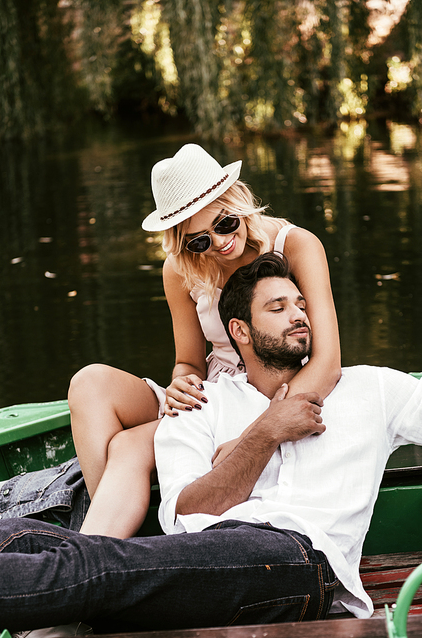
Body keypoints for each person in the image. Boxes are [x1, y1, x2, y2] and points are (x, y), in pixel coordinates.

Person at [0, 253, 422, 633]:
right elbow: (186, 516)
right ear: (238, 330)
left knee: (100, 566)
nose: (299, 315)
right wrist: (265, 433)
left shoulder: (372, 389)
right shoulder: (198, 408)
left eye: (300, 304)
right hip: (219, 559)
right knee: (30, 538)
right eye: (277, 308)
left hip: (304, 564)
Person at [68, 143, 341, 539]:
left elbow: (327, 361)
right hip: (212, 394)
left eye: (225, 224)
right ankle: (108, 546)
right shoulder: (179, 270)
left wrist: (257, 432)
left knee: (129, 447)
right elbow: (190, 362)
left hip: (277, 389)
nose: (218, 243)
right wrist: (181, 381)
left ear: (238, 201)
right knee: (89, 383)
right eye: (199, 240)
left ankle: (105, 548)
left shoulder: (296, 246)